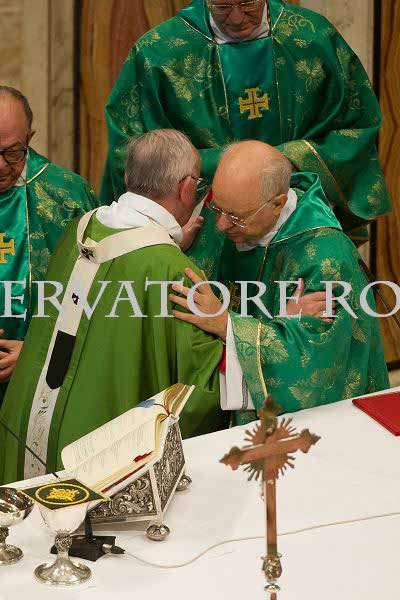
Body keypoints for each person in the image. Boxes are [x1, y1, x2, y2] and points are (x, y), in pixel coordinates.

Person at [0, 130, 325, 485]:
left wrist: (168, 244)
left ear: (130, 176)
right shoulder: (171, 270)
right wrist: (279, 328)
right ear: (186, 188)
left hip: (27, 431)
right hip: (90, 455)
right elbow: (202, 389)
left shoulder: (83, 227)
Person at [100, 0, 390, 278]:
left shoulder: (313, 39)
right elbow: (131, 152)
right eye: (223, 6)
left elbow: (357, 127)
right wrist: (216, 166)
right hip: (206, 225)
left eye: (249, 4)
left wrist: (285, 161)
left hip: (295, 218)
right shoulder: (158, 54)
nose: (237, 18)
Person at [171, 141, 389, 426]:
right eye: (217, 207)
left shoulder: (324, 260)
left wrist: (227, 324)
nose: (221, 225)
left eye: (235, 217)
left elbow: (314, 371)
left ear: (278, 204)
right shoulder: (232, 213)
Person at [0, 87, 98, 399]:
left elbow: (99, 295)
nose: (1, 165)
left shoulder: (68, 197)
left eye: (12, 153)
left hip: (44, 381)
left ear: (30, 138)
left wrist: (36, 353)